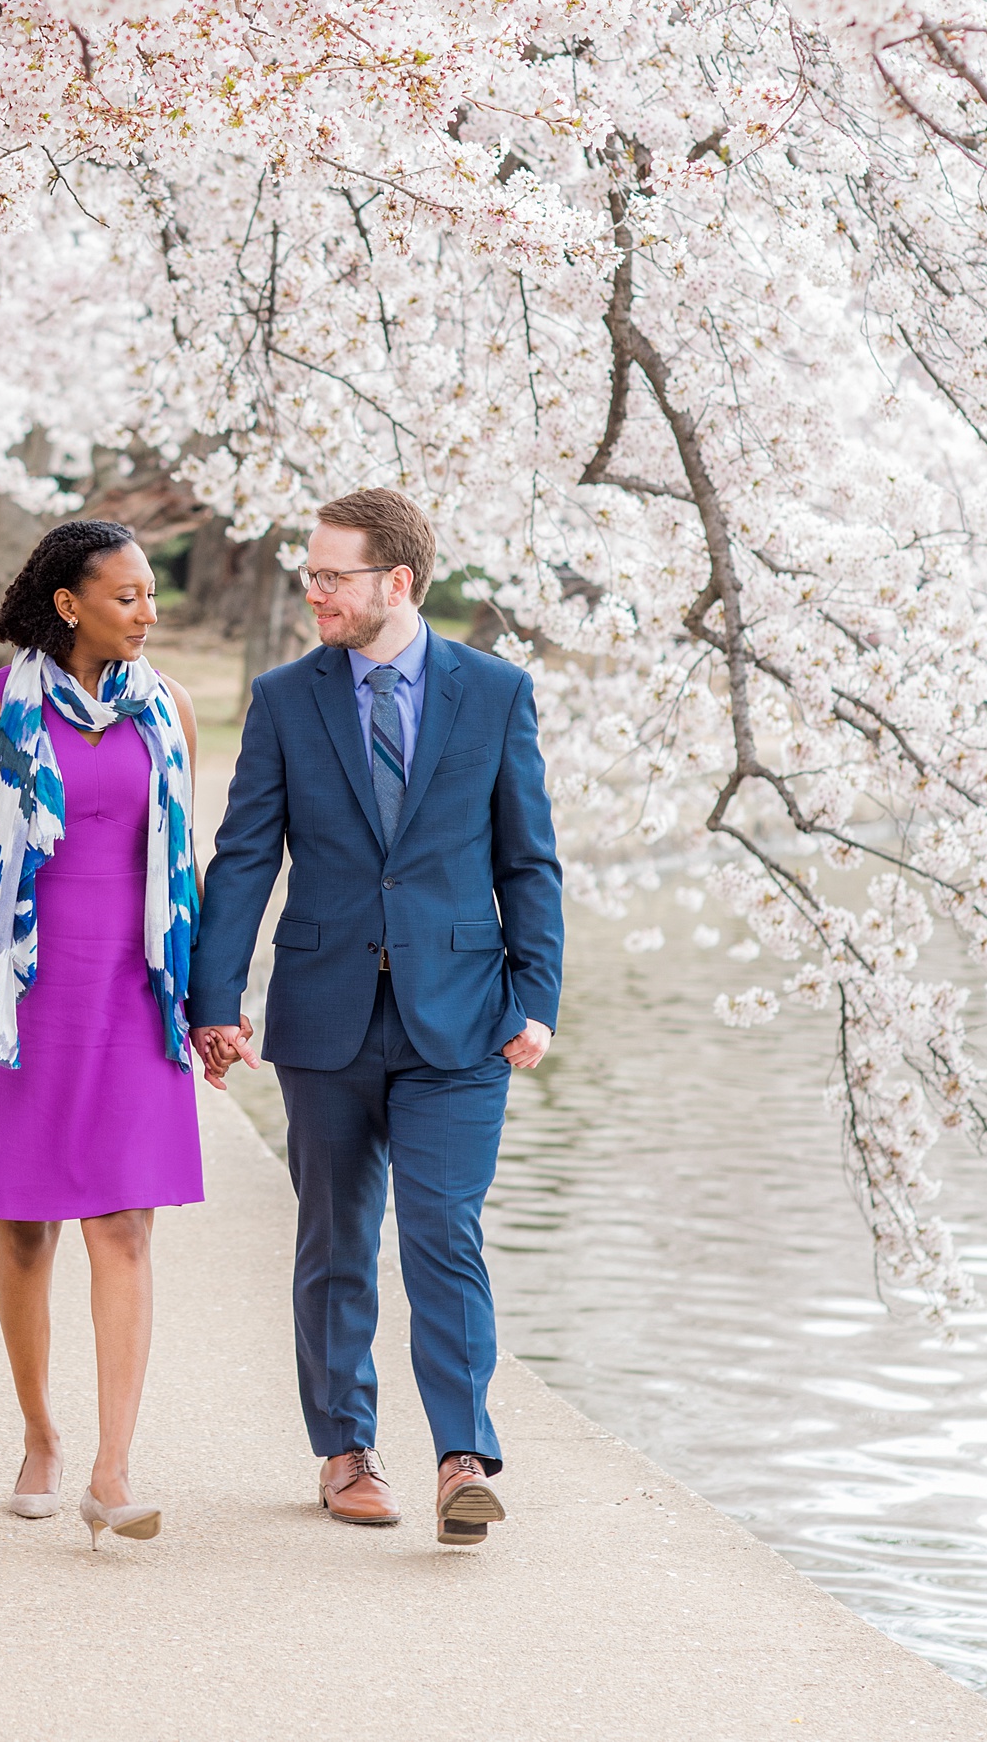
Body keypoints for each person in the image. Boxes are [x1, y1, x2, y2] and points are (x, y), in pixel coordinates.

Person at [188, 488, 562, 1546]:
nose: (313, 590)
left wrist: (534, 996)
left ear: (395, 582)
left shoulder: (492, 692)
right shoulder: (284, 698)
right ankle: (345, 1449)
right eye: (308, 573)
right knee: (335, 1238)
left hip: (462, 1016)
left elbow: (525, 858)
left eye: (331, 575)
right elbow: (247, 853)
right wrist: (216, 999)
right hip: (324, 1014)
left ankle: (461, 1455)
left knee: (443, 1230)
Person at [0, 519, 202, 1549]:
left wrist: (206, 1005)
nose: (147, 611)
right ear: (67, 602)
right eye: (126, 594)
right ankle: (38, 1429)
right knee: (24, 1222)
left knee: (122, 1225)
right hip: (19, 990)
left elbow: (184, 872)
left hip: (132, 990)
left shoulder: (167, 709)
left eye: (151, 592)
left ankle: (112, 1468)